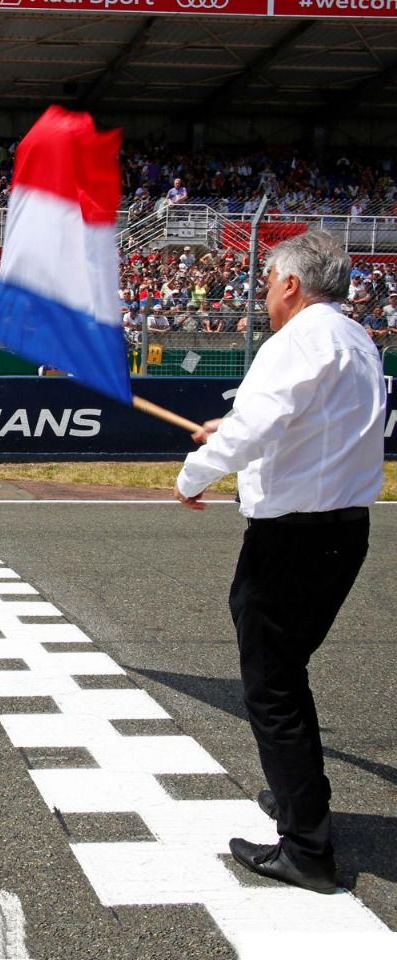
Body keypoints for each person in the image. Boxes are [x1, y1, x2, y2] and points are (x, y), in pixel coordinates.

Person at [173, 231, 385, 894]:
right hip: (344, 531)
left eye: (268, 281)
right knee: (285, 676)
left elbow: (260, 426)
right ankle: (302, 806)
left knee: (272, 686)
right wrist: (231, 437)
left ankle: (307, 847)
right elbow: (299, 428)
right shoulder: (356, 339)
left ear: (292, 284)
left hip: (290, 540)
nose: (265, 293)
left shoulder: (294, 341)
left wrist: (194, 473)